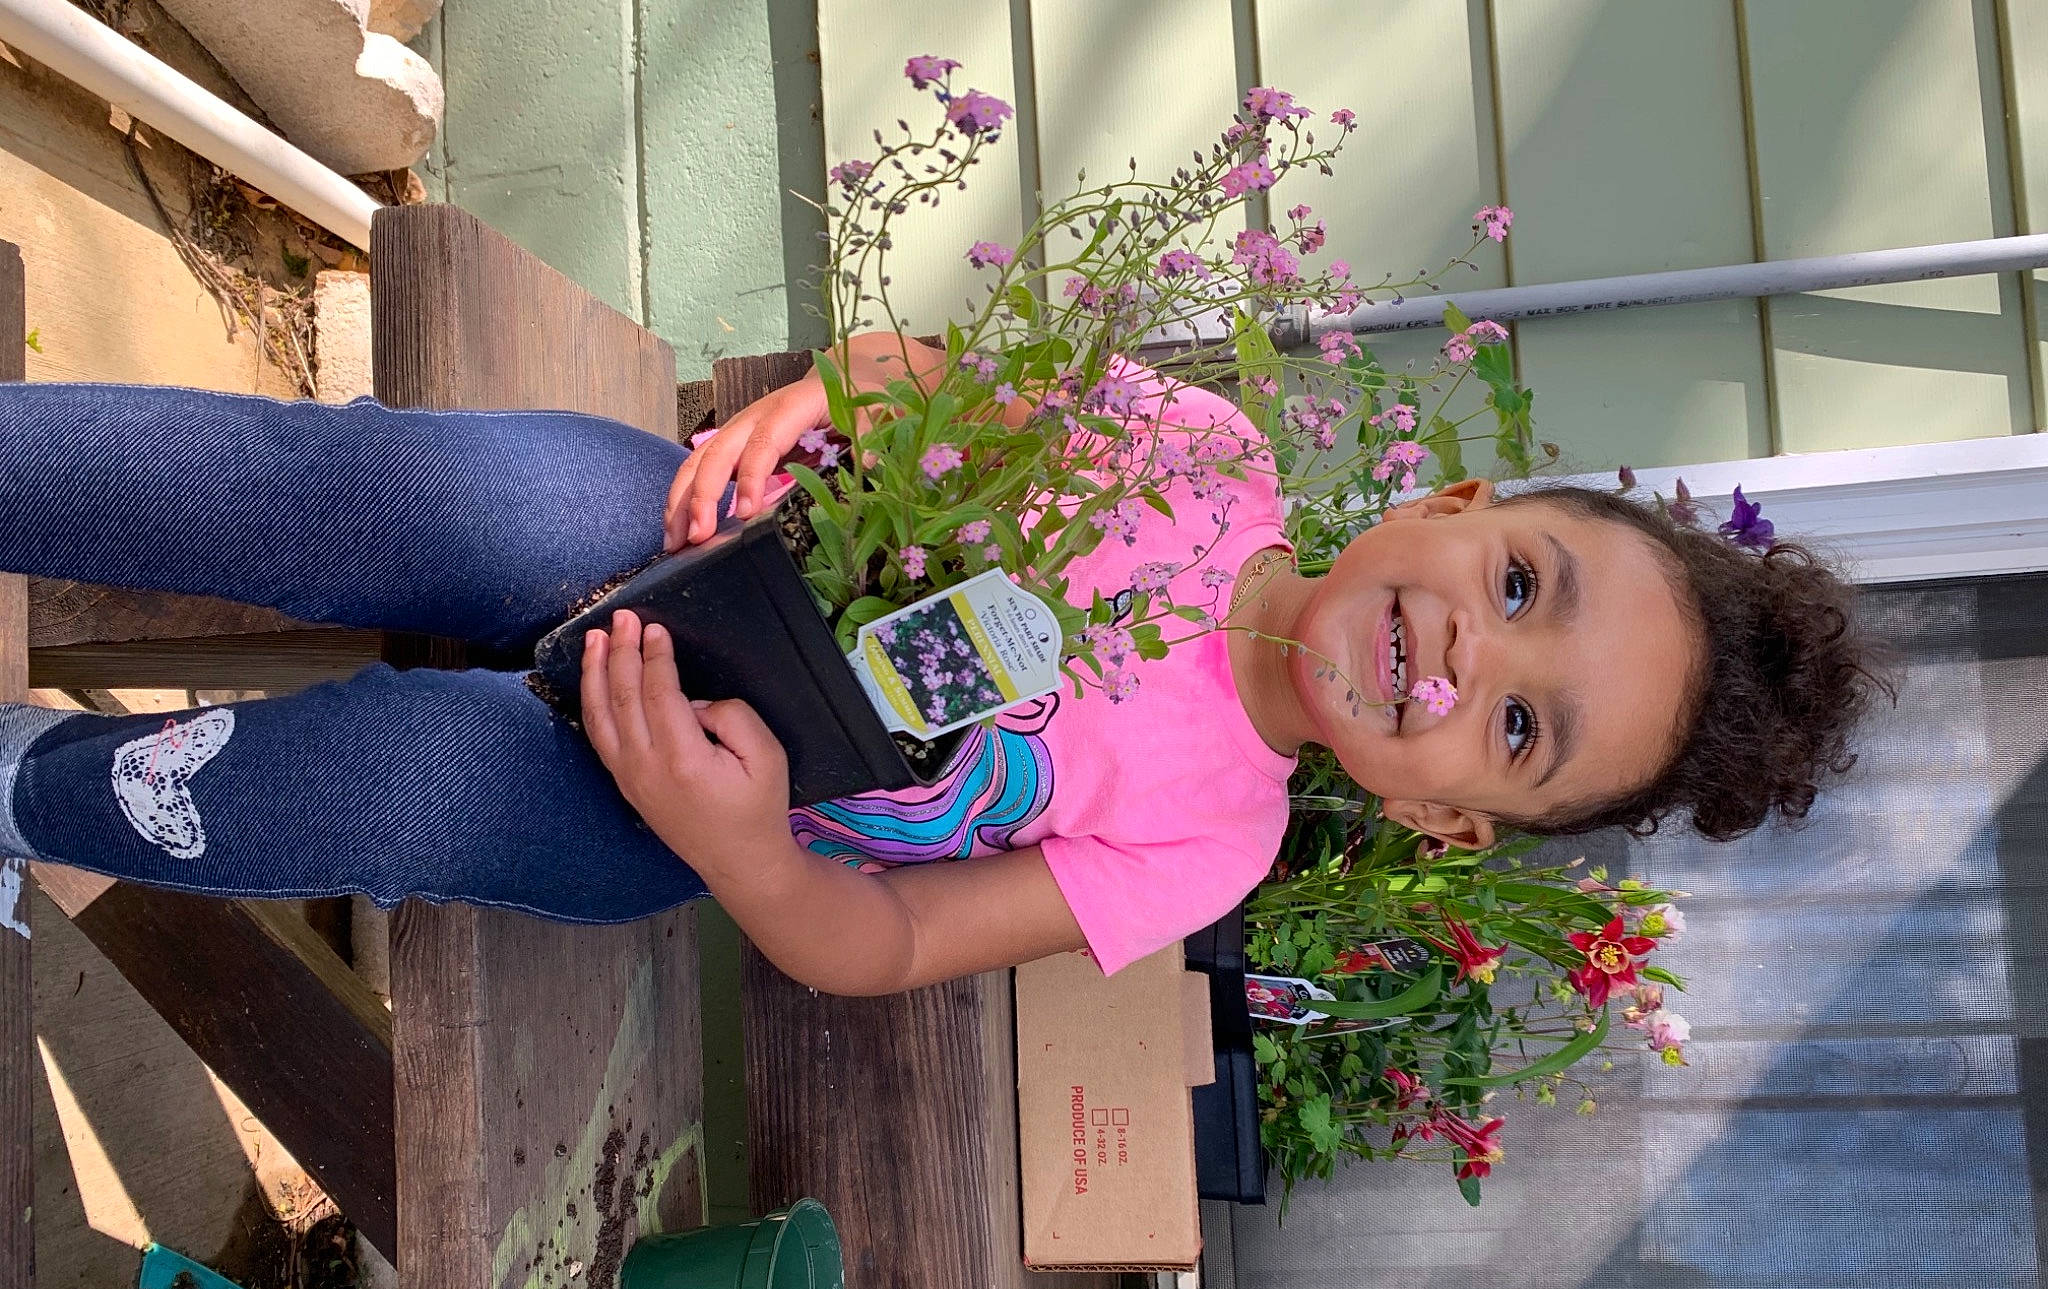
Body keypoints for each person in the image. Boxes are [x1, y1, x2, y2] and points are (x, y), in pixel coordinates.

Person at [0, 333, 1881, 995]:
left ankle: (29, 787)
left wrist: (737, 844)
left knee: (408, 792)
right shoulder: (1206, 458)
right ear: (1458, 500)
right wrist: (820, 397)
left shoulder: (1214, 842)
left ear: (1457, 821)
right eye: (1531, 582)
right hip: (675, 538)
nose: (1476, 659)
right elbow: (925, 381)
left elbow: (882, 947)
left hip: (673, 810)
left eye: (1525, 732)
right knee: (413, 493)